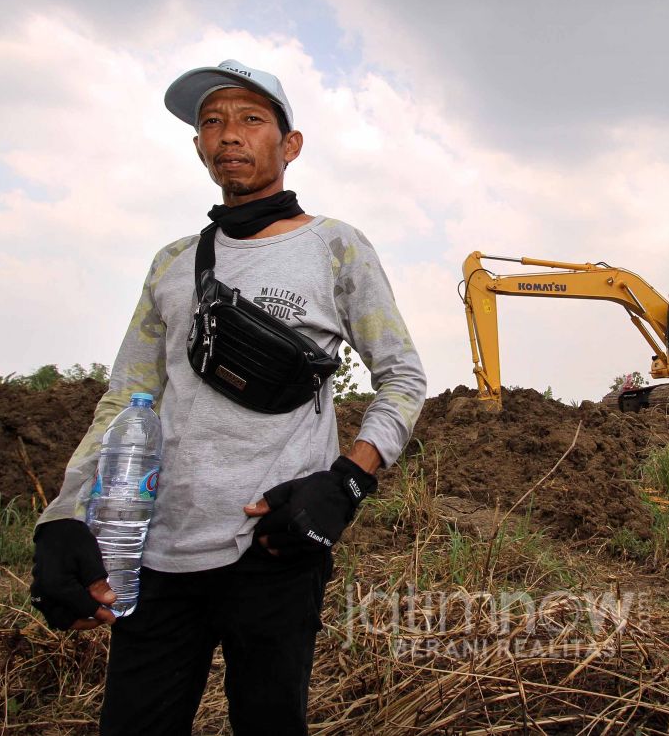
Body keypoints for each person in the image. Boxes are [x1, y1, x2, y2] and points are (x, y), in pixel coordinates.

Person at [29, 59, 427, 735]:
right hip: (156, 556)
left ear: (289, 144)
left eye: (250, 118)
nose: (228, 134)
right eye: (211, 122)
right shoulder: (172, 262)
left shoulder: (335, 247)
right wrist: (64, 514)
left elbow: (403, 377)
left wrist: (346, 484)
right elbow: (127, 395)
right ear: (197, 148)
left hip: (271, 547)